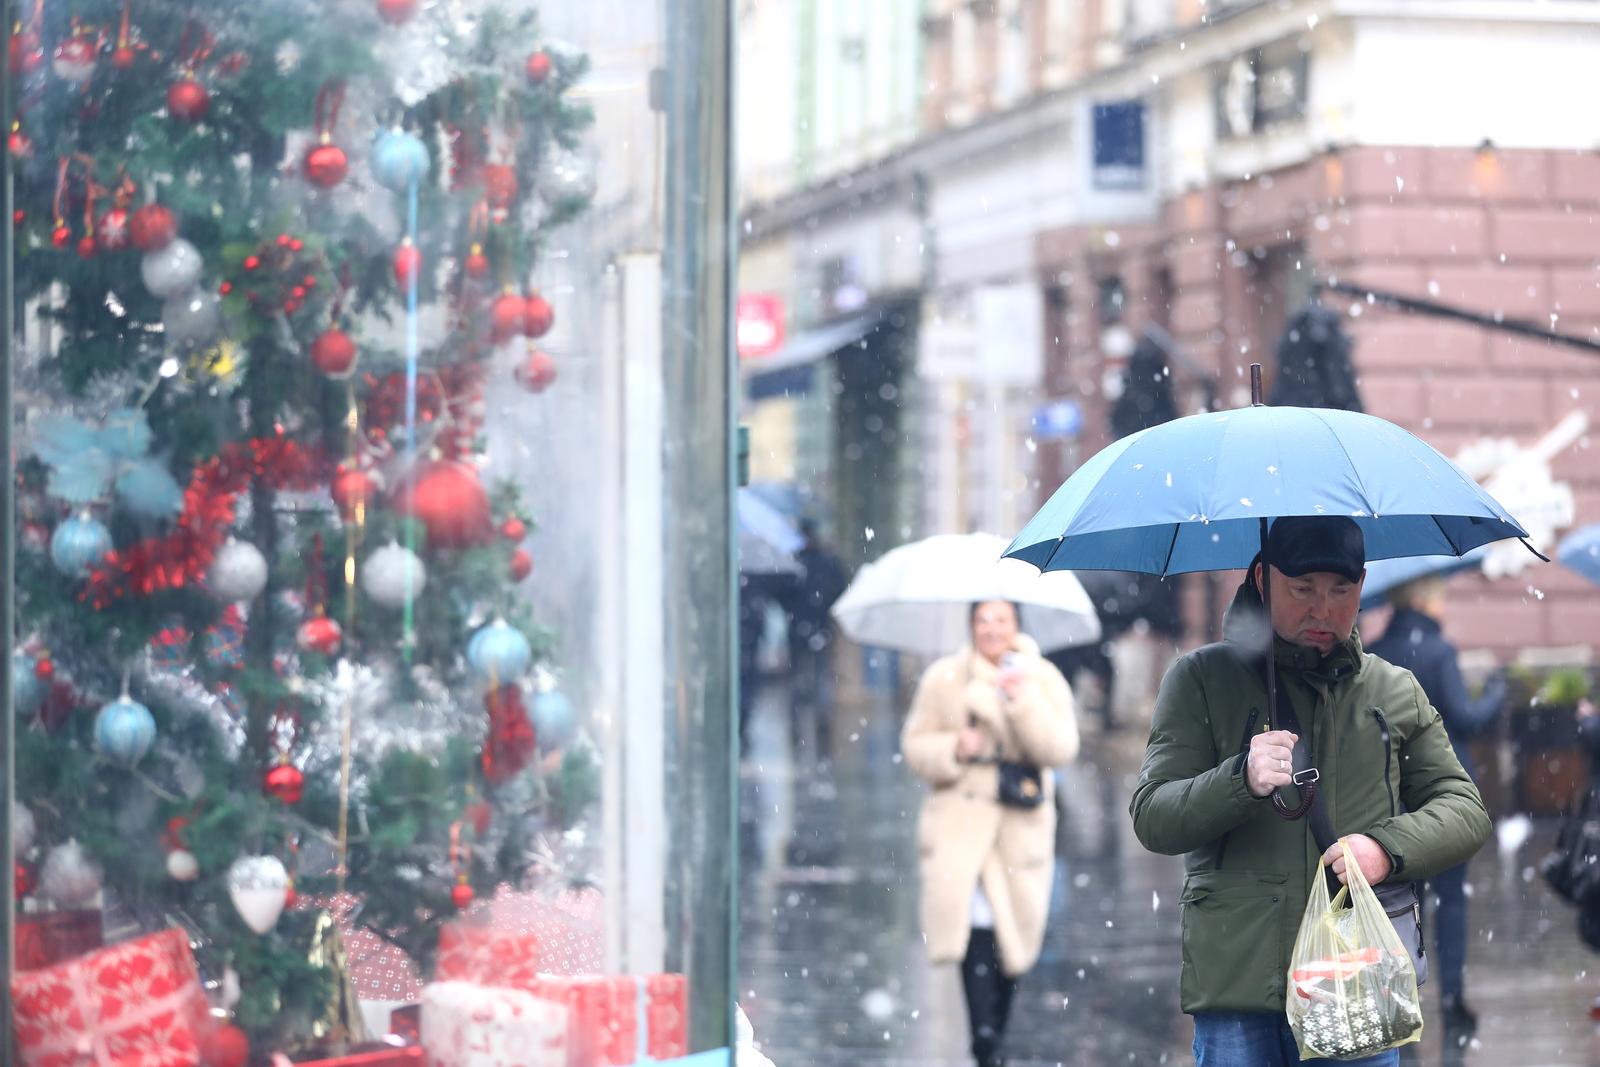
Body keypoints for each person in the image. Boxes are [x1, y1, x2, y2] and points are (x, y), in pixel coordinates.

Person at [1128, 516, 1491, 1067]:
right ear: (1262, 579)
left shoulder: (1392, 691)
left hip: (1356, 980)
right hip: (1237, 986)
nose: (1323, 611)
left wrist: (1385, 849)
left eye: (1340, 591)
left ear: (1362, 586)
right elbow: (1153, 815)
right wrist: (1239, 779)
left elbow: (1465, 809)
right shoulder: (1200, 680)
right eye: (1302, 590)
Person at [901, 600, 1079, 1067]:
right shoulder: (944, 678)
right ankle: (984, 1040)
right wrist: (955, 747)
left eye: (1002, 619)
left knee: (1012, 934)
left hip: (1017, 829)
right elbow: (915, 747)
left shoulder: (1042, 679)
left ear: (1016, 625)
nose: (992, 629)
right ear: (971, 625)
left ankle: (993, 1033)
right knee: (974, 925)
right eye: (983, 619)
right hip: (959, 827)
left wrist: (1020, 703)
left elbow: (1060, 748)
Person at [1366, 574, 1506, 1034]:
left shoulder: (1375, 652)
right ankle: (1451, 999)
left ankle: (1399, 1000)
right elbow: (1465, 718)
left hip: (1391, 796)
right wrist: (1496, 692)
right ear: (1425, 597)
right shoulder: (1439, 651)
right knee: (1451, 901)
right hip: (1439, 798)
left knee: (1401, 903)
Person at [782, 520, 849, 766]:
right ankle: (820, 727)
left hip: (800, 630)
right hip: (820, 628)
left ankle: (800, 726)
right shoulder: (826, 563)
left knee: (802, 681)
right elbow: (840, 590)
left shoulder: (795, 563)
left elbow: (783, 595)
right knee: (819, 679)